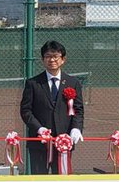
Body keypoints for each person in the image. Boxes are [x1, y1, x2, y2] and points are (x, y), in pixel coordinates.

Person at [19, 40, 84, 174]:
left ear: (63, 59)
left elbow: (78, 109)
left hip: (64, 141)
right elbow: (26, 111)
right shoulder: (33, 83)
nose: (52, 60)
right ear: (43, 59)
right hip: (39, 143)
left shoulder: (73, 82)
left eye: (56, 56)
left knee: (61, 181)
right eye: (48, 56)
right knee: (39, 180)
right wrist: (39, 128)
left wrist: (76, 129)